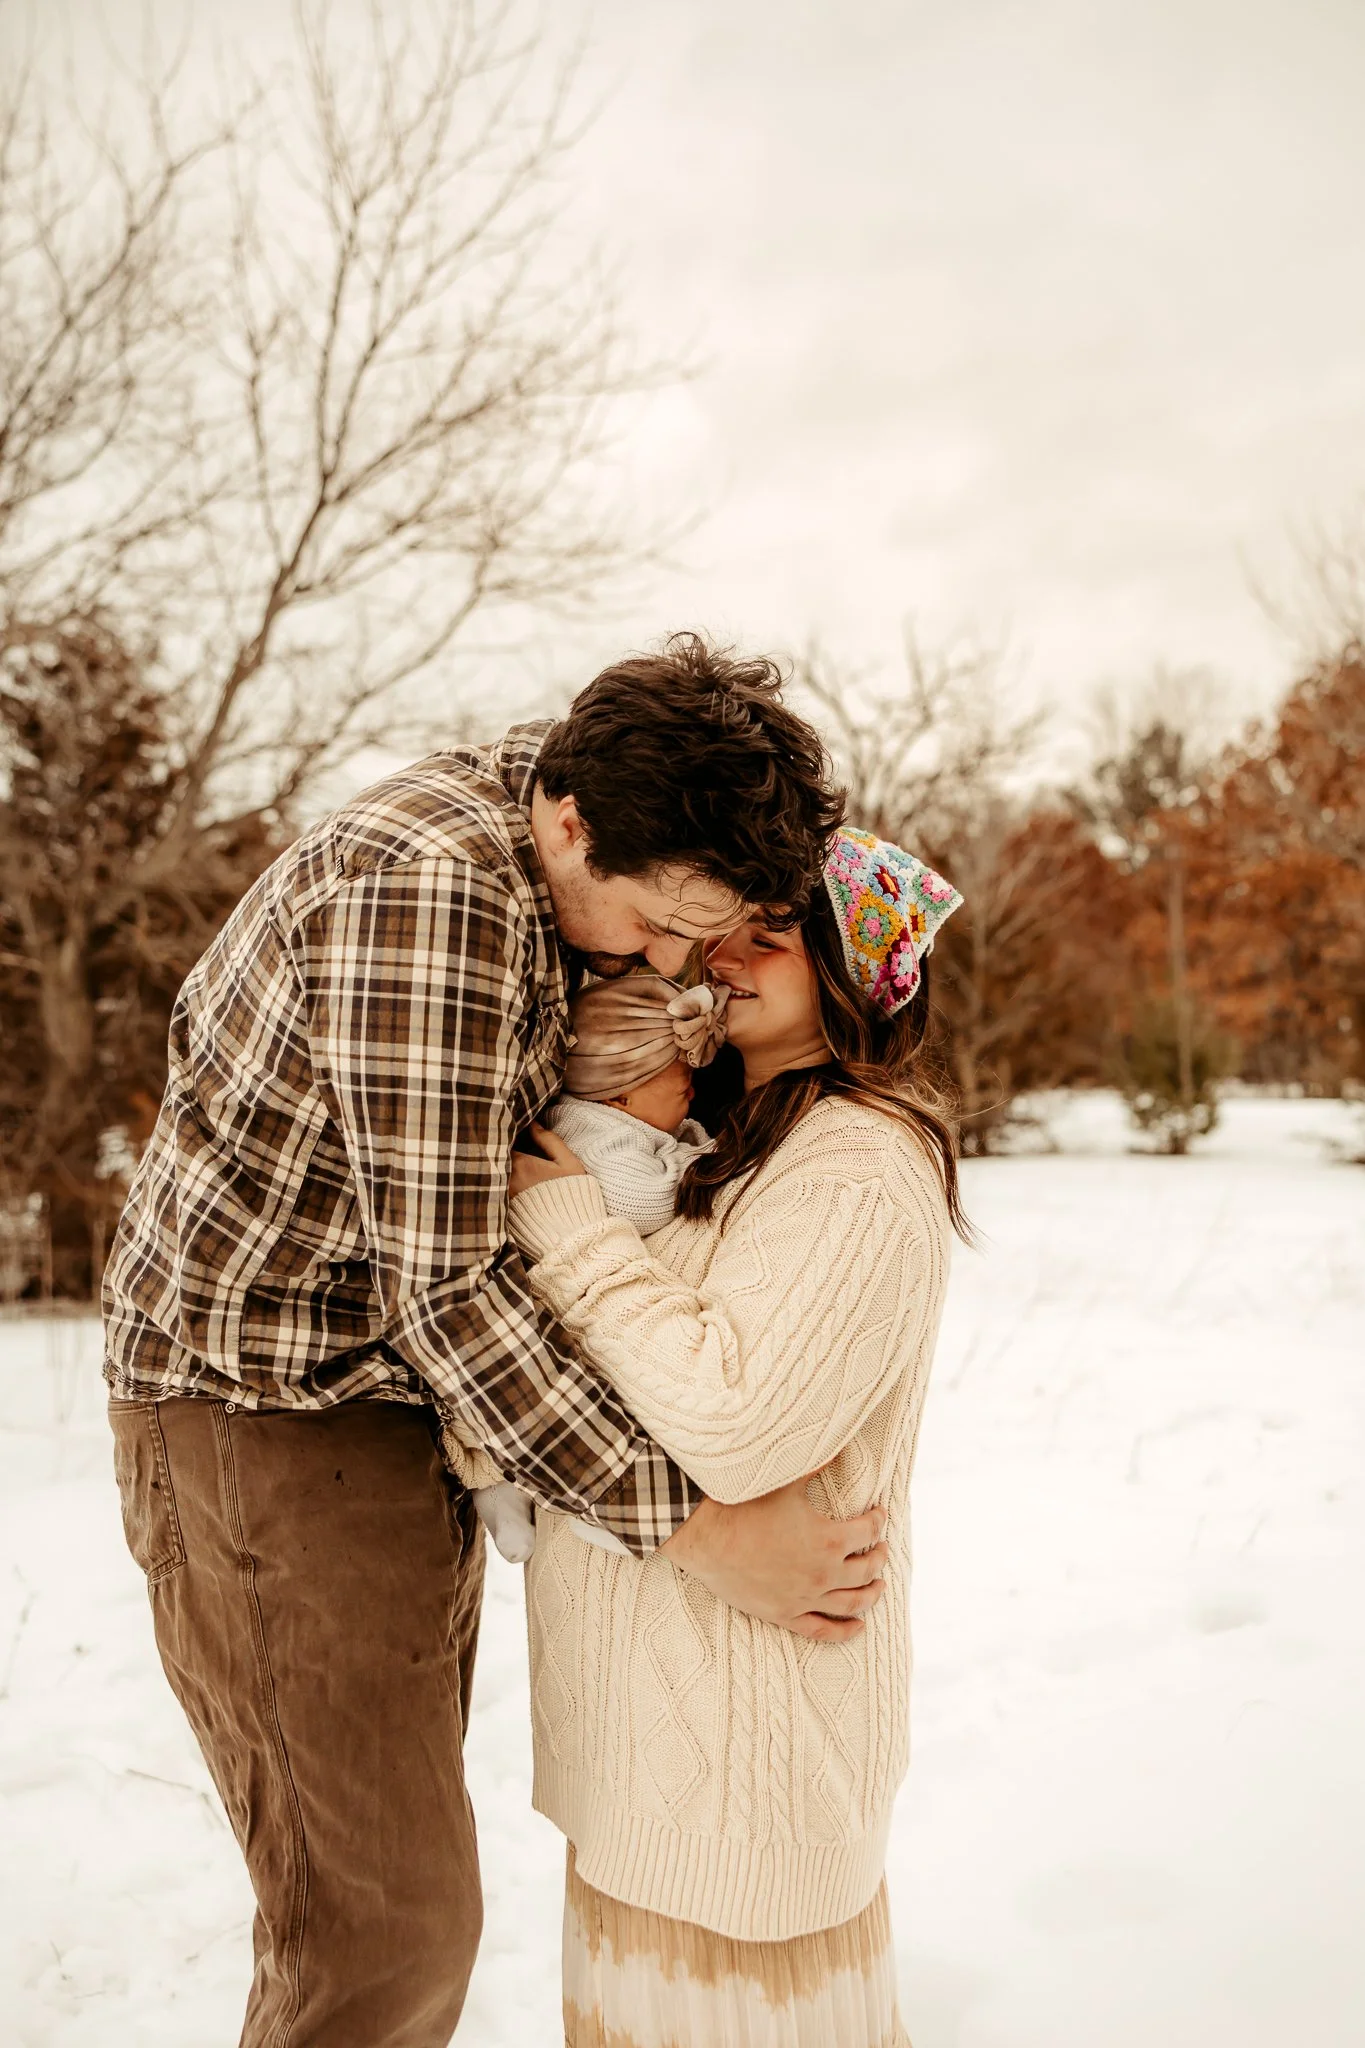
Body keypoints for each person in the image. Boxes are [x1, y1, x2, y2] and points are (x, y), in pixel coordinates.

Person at [101, 636, 892, 2048]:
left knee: (384, 1896)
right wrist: (697, 1531)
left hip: (397, 1403)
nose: (668, 966)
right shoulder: (430, 894)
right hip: (268, 1406)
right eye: (655, 926)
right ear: (573, 824)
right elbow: (447, 1286)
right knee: (385, 1928)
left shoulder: (608, 814)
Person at [508, 823, 968, 2047]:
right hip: (642, 1775)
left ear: (854, 979)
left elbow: (735, 1420)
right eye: (729, 930)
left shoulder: (859, 1162)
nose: (726, 955)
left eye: (773, 939)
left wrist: (567, 1229)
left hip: (744, 1792)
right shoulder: (715, 1147)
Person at [470, 972, 731, 1564]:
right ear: (620, 1094)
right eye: (679, 1079)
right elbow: (640, 1199)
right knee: (514, 1403)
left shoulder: (627, 1123)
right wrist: (701, 1162)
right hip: (533, 1297)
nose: (693, 1086)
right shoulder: (590, 1136)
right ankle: (508, 1491)